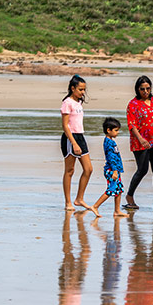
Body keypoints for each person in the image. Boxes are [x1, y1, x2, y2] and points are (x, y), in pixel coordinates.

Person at [124, 75, 153, 211]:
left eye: (148, 88)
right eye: (142, 89)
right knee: (142, 170)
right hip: (140, 142)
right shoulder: (133, 104)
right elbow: (131, 125)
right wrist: (141, 139)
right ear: (137, 89)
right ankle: (130, 196)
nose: (145, 91)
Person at [61, 75, 93, 211]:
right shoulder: (67, 103)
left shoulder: (78, 103)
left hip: (80, 136)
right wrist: (73, 143)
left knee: (88, 169)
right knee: (70, 170)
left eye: (84, 90)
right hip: (70, 138)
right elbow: (65, 126)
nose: (82, 92)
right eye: (80, 89)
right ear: (72, 88)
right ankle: (68, 202)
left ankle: (79, 198)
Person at [91, 117, 129, 218]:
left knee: (119, 189)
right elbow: (111, 158)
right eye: (116, 130)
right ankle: (95, 206)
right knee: (111, 190)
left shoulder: (111, 141)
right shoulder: (109, 143)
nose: (117, 132)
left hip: (115, 170)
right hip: (112, 170)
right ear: (108, 130)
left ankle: (117, 211)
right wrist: (115, 171)